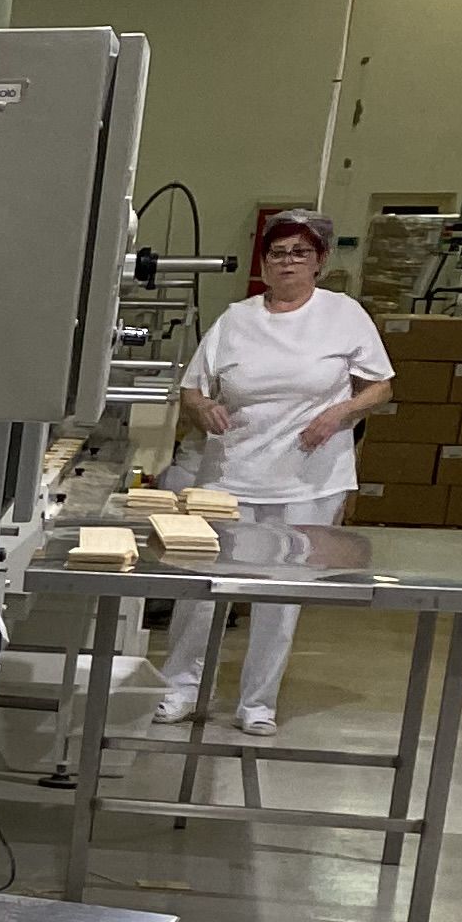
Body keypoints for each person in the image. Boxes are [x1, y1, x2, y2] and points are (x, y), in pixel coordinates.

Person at [163, 210, 396, 734]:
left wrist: (340, 413)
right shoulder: (236, 319)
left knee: (280, 593)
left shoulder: (344, 315)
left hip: (308, 479)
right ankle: (181, 687)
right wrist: (204, 408)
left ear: (319, 261)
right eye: (277, 253)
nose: (287, 262)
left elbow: (381, 385)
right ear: (264, 263)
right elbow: (192, 388)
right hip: (231, 473)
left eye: (299, 253)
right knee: (203, 587)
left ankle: (257, 701)